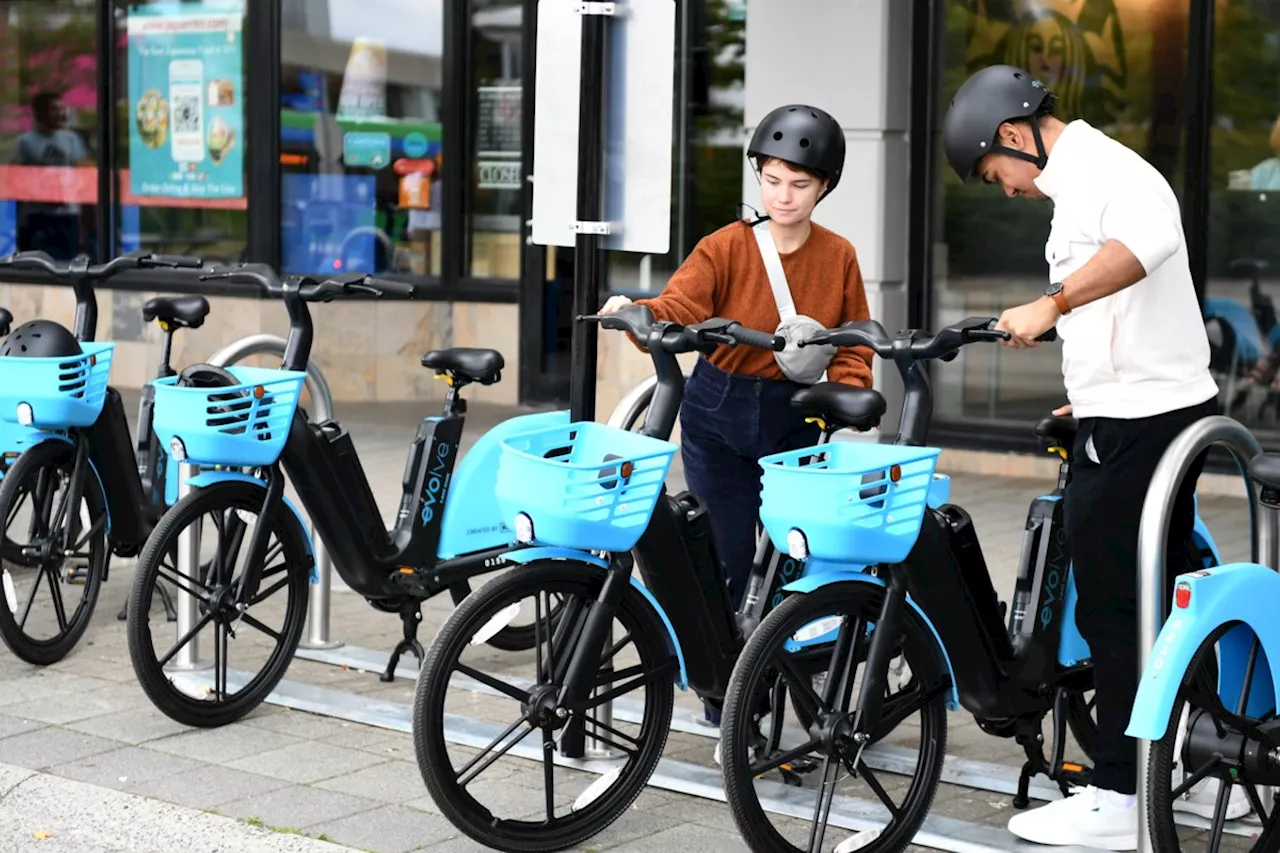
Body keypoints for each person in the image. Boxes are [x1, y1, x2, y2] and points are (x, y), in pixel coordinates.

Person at [942, 64, 1245, 849]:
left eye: (994, 172)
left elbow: (1150, 243)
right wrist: (1094, 384)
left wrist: (1054, 301)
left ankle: (1118, 791)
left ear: (1014, 136)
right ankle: (1207, 767)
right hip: (1133, 406)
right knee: (1162, 593)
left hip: (1142, 422)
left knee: (1113, 604)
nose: (1004, 188)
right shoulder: (1081, 178)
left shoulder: (1103, 167)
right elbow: (1136, 303)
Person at [600, 104, 874, 725]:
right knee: (725, 556)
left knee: (792, 561)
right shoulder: (724, 246)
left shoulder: (840, 256)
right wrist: (639, 312)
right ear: (758, 176)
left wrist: (851, 394)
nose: (784, 195)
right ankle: (727, 692)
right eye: (772, 180)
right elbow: (680, 303)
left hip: (798, 414)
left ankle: (791, 683)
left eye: (800, 184)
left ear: (824, 185)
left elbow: (853, 336)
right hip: (718, 407)